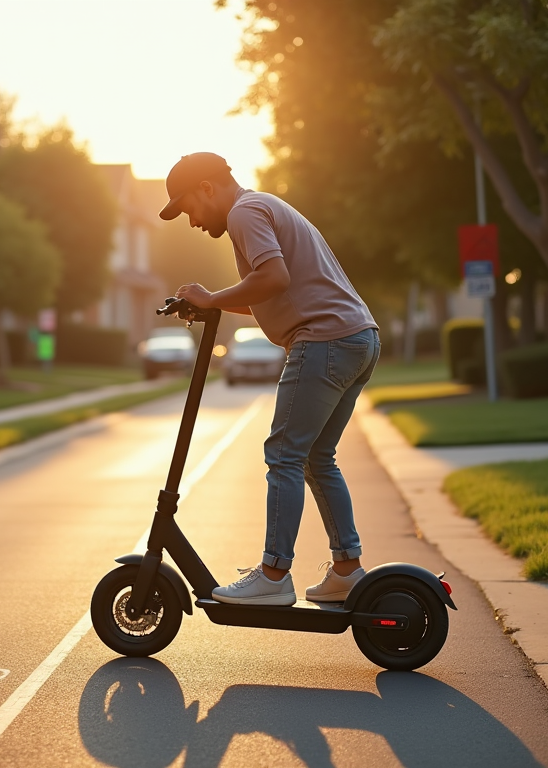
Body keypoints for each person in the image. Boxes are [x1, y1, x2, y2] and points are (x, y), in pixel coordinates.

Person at [159, 152, 380, 606]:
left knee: (283, 454)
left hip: (323, 341)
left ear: (206, 188)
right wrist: (214, 302)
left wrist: (213, 295)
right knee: (318, 458)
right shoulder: (262, 206)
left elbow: (273, 277)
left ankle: (274, 574)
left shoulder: (243, 212)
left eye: (188, 208)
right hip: (357, 338)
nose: (191, 221)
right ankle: (347, 570)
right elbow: (268, 291)